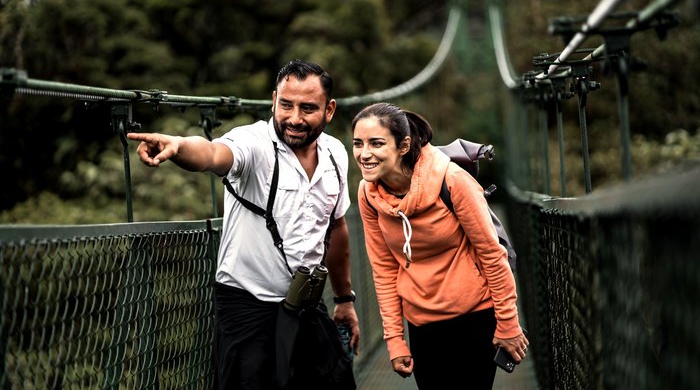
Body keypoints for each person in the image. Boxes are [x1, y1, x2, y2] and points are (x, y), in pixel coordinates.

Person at [127, 59, 360, 390]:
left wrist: (344, 299)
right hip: (249, 309)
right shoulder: (255, 143)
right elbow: (212, 153)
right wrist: (178, 145)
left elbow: (336, 229)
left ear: (329, 110)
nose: (294, 118)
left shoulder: (336, 154)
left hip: (307, 305)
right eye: (286, 105)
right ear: (273, 100)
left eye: (308, 108)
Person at [351, 102, 528, 389]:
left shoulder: (452, 179)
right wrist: (395, 340)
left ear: (404, 145)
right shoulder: (368, 193)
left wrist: (508, 322)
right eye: (358, 143)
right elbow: (383, 269)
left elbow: (492, 254)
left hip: (475, 315)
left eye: (376, 143)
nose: (364, 154)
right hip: (422, 323)